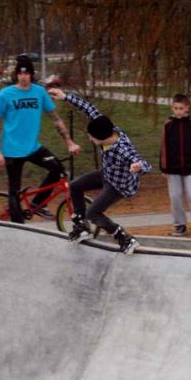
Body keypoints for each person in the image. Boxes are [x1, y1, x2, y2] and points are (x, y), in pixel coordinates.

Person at [48, 87, 151, 255]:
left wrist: (138, 167)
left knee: (93, 213)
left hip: (120, 186)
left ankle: (124, 238)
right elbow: (88, 108)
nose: (89, 138)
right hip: (107, 174)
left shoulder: (123, 149)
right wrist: (65, 96)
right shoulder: (105, 126)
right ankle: (82, 227)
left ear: (101, 138)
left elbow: (143, 162)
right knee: (74, 186)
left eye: (91, 137)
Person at [0, 54, 81, 223]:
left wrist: (69, 142)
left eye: (26, 73)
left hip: (33, 148)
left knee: (58, 169)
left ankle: (37, 204)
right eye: (20, 73)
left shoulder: (39, 92)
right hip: (12, 150)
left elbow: (55, 118)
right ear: (16, 75)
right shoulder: (6, 94)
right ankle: (19, 230)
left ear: (31, 74)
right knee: (14, 192)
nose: (23, 77)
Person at [159, 93, 191, 236]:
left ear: (187, 108)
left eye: (181, 108)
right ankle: (179, 225)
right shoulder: (168, 125)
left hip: (190, 169)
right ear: (172, 108)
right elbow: (164, 147)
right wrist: (164, 168)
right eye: (175, 108)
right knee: (175, 196)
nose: (178, 111)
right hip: (172, 169)